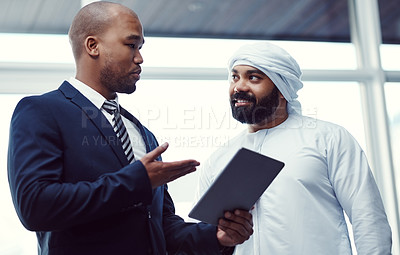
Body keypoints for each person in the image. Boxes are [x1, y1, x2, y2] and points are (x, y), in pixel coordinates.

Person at [7, 2, 253, 255]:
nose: (140, 57)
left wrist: (216, 236)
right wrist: (137, 180)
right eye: (131, 45)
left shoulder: (142, 134)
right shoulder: (41, 111)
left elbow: (161, 228)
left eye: (141, 47)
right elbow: (35, 206)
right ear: (93, 46)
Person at [193, 42, 392, 254]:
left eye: (253, 78)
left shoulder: (327, 138)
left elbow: (368, 218)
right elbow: (207, 239)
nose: (239, 87)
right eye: (235, 77)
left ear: (281, 88)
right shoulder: (219, 159)